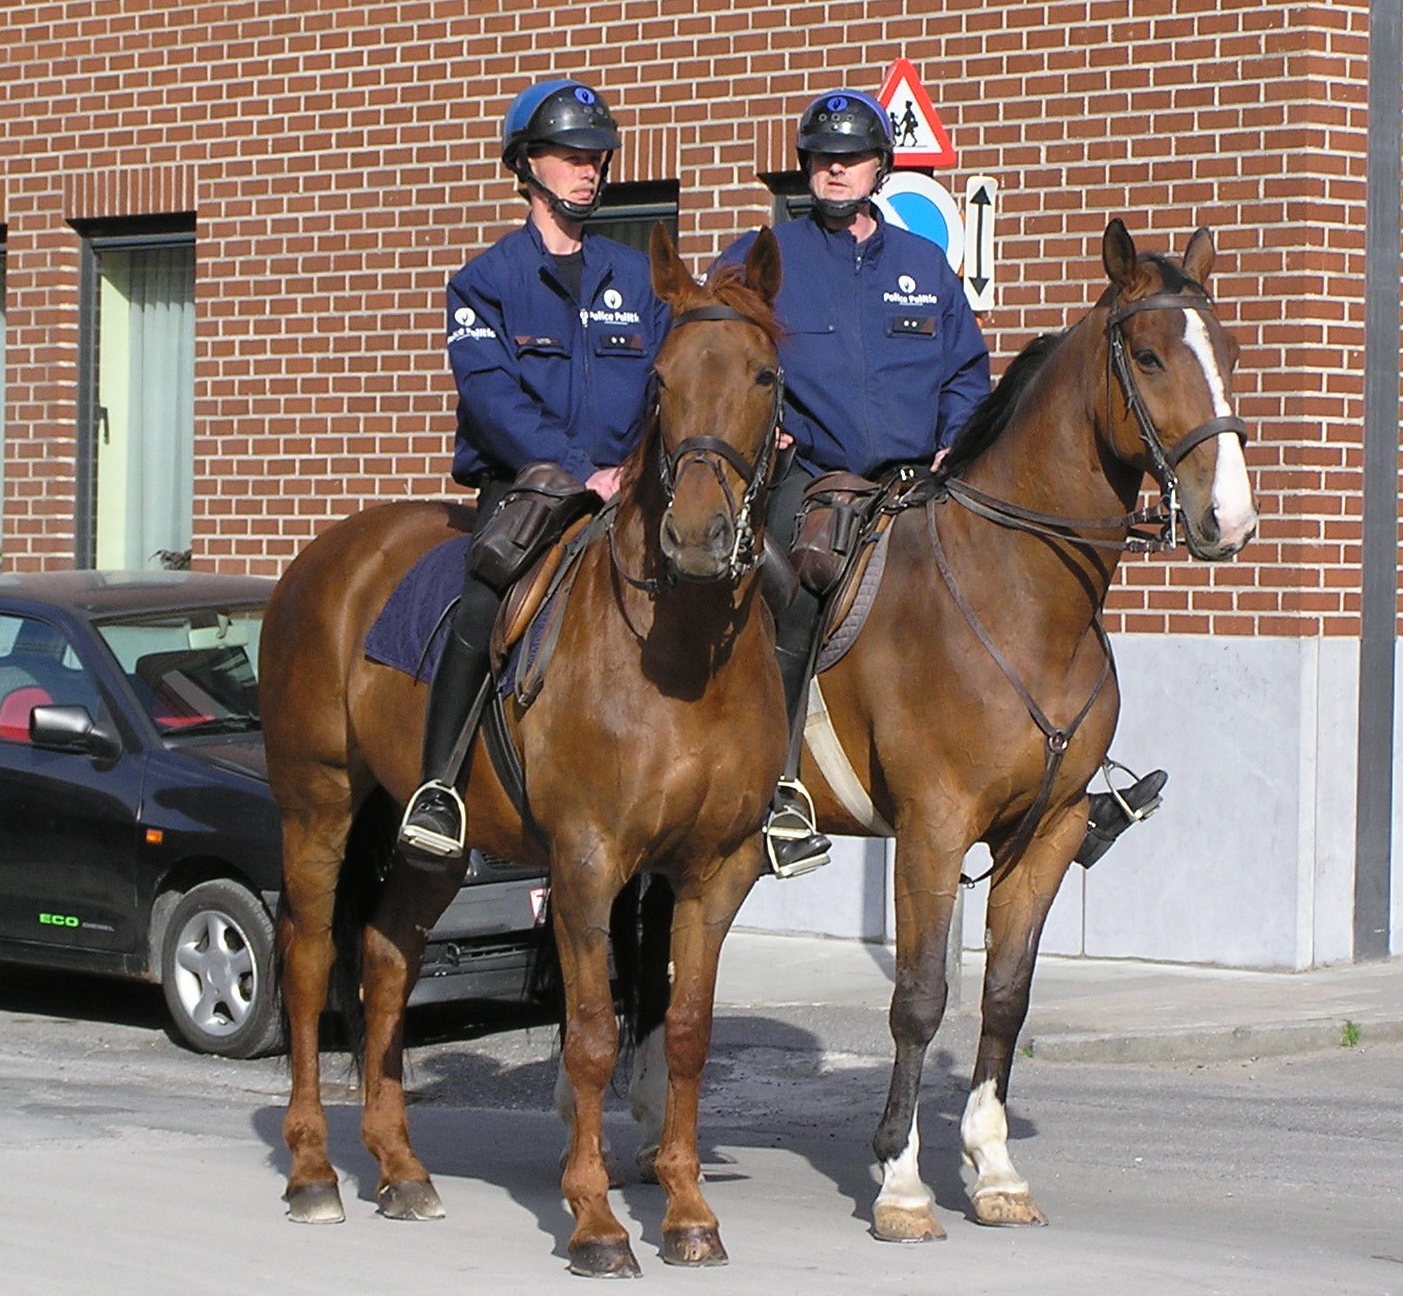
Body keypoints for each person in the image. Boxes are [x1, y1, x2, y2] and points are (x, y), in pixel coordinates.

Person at [720, 90, 1164, 877]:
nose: (834, 170)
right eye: (821, 157)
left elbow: (965, 371)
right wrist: (761, 428)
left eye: (850, 157)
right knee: (794, 584)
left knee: (1012, 591)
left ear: (879, 169)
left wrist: (956, 441)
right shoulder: (765, 257)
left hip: (917, 479)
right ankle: (778, 789)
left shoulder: (922, 265)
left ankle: (1068, 781)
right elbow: (718, 356)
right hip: (811, 476)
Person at [396, 79, 669, 865]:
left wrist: (635, 469)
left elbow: (667, 383)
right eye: (569, 156)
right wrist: (583, 473)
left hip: (628, 489)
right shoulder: (485, 282)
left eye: (596, 158)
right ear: (525, 165)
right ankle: (437, 788)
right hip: (526, 488)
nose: (587, 170)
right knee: (483, 596)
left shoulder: (635, 278)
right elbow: (492, 401)